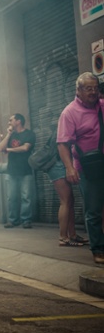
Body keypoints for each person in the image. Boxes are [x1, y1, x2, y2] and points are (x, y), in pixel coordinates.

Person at [57, 72, 104, 265]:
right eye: (88, 88)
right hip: (89, 167)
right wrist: (69, 168)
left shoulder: (102, 105)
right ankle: (98, 249)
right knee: (93, 210)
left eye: (95, 87)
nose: (93, 92)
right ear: (78, 90)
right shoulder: (70, 112)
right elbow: (62, 144)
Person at [43, 128, 87, 247]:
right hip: (58, 166)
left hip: (60, 165)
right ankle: (63, 237)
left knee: (70, 201)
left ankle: (72, 235)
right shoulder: (62, 130)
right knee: (65, 201)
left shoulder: (62, 129)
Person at [0, 113, 36, 229]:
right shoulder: (11, 135)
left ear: (18, 121)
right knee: (11, 197)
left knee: (26, 196)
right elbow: (0, 148)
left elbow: (25, 148)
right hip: (12, 171)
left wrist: (9, 149)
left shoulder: (29, 134)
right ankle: (13, 220)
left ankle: (26, 220)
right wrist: (8, 134)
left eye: (11, 120)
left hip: (26, 169)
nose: (9, 122)